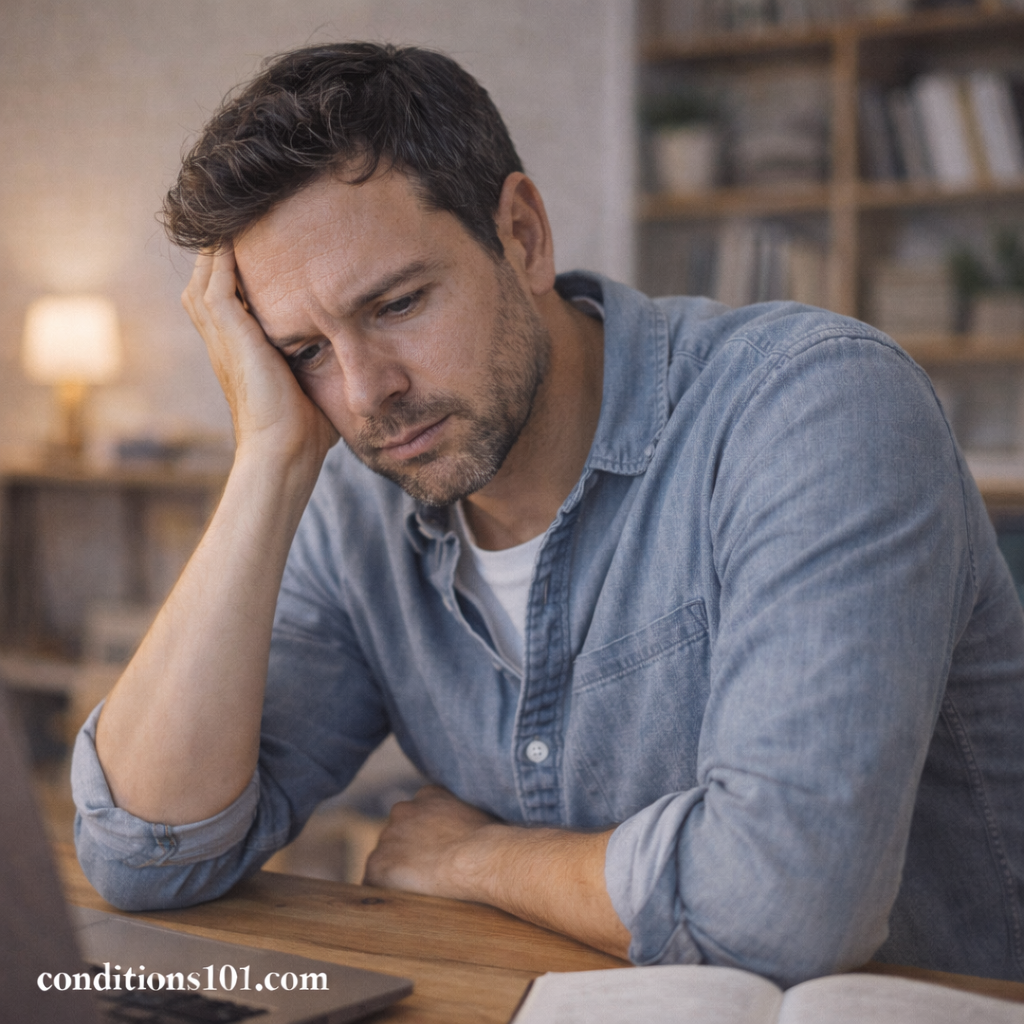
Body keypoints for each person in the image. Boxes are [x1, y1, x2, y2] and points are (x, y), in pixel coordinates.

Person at [72, 42, 1024, 986]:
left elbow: (790, 903)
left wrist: (468, 858)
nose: (367, 394)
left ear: (522, 234)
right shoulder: (360, 505)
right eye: (304, 351)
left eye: (397, 304)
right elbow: (146, 853)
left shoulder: (814, 408)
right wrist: (268, 463)